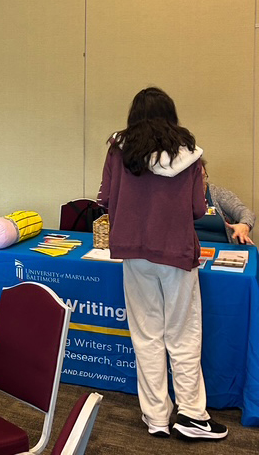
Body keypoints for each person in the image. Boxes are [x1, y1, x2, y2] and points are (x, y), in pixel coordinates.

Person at [97, 87, 228, 440]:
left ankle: (155, 416)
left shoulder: (117, 152)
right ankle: (193, 416)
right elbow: (199, 210)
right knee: (183, 334)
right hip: (177, 253)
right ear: (170, 116)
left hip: (135, 253)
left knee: (146, 335)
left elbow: (105, 199)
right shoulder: (191, 157)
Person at [195, 159, 255, 244]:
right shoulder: (176, 198)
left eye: (203, 177)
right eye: (196, 178)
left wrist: (244, 225)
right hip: (187, 251)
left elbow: (244, 211)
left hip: (222, 249)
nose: (201, 182)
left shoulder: (218, 194)